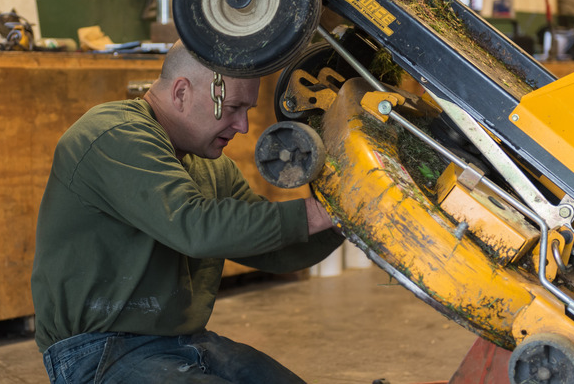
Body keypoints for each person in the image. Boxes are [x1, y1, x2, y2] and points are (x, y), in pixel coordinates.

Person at [31, 41, 344, 383]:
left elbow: (266, 245)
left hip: (185, 341)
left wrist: (349, 221)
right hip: (96, 351)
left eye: (248, 110)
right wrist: (319, 213)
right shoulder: (113, 134)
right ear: (181, 92)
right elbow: (194, 226)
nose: (242, 126)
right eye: (234, 108)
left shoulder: (210, 165)